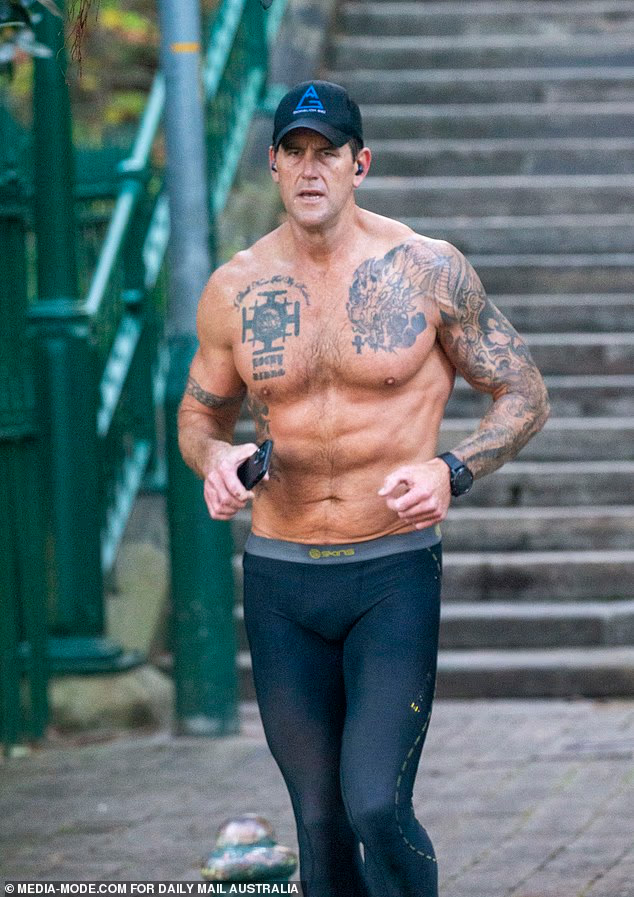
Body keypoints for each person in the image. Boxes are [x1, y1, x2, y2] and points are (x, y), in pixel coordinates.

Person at [178, 80, 550, 897]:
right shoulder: (235, 288)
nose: (310, 169)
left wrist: (452, 468)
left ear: (361, 164)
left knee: (375, 804)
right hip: (280, 578)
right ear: (273, 165)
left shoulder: (427, 269)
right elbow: (199, 415)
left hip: (390, 570)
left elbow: (525, 391)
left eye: (328, 152)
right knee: (318, 820)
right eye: (295, 152)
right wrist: (215, 458)